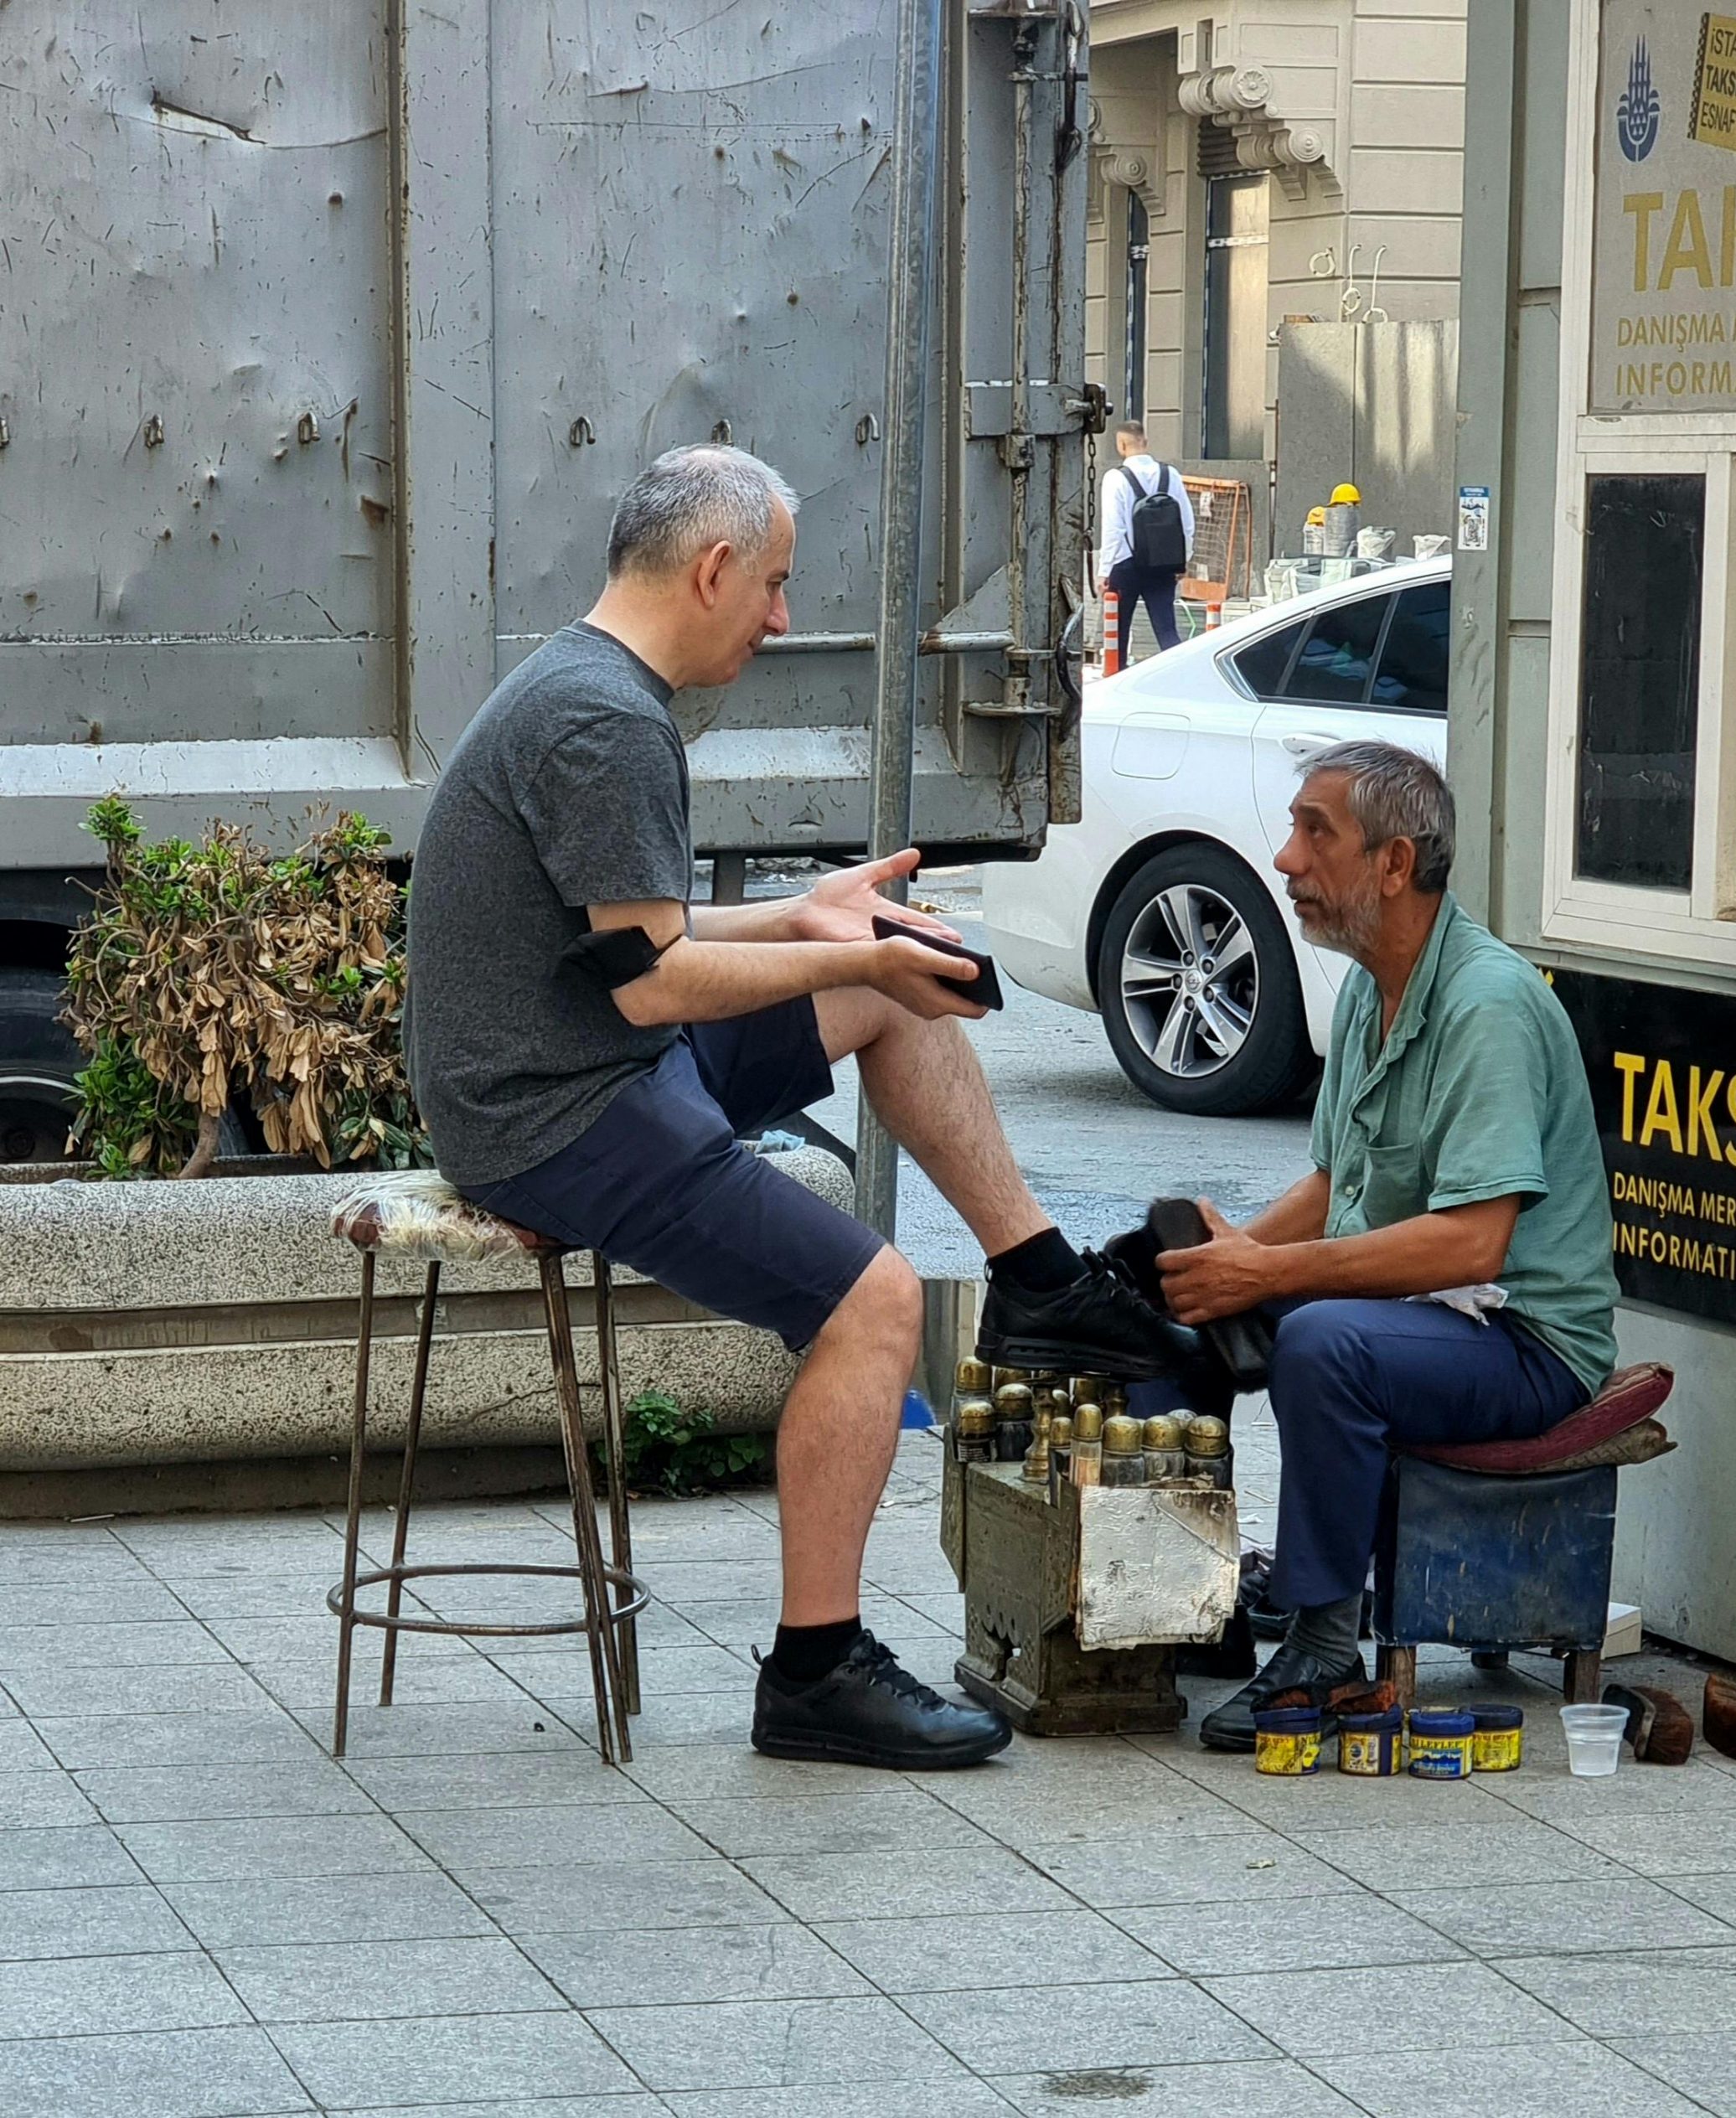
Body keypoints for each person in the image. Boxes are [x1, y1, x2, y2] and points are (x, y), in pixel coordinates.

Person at [406, 445, 1187, 1771]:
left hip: (584, 1056)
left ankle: (1040, 1276)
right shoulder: (607, 722)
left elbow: (627, 935)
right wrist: (856, 953)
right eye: (770, 585)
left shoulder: (589, 684)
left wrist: (816, 920)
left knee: (893, 986)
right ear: (710, 570)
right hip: (554, 1112)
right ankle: (816, 1671)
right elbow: (653, 987)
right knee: (872, 1301)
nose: (778, 618)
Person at [1134, 741, 1618, 1751]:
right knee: (1170, 1309)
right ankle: (1186, 1594)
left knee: (1320, 1344)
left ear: (1394, 864)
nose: (1285, 859)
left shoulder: (1484, 1005)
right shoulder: (1366, 985)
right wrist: (1225, 1262)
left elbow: (1474, 1245)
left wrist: (1267, 1273)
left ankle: (1320, 1641)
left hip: (1524, 1345)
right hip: (1426, 1316)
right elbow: (1332, 1185)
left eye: (1317, 834)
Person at [1098, 422, 1195, 669]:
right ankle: (1180, 677)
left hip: (1125, 565)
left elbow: (1113, 528)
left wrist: (1104, 571)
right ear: (1146, 441)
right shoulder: (1170, 474)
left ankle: (1116, 681)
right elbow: (1186, 521)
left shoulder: (1115, 478)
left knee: (1117, 632)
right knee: (1166, 629)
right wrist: (1184, 560)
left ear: (1121, 445)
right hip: (1164, 563)